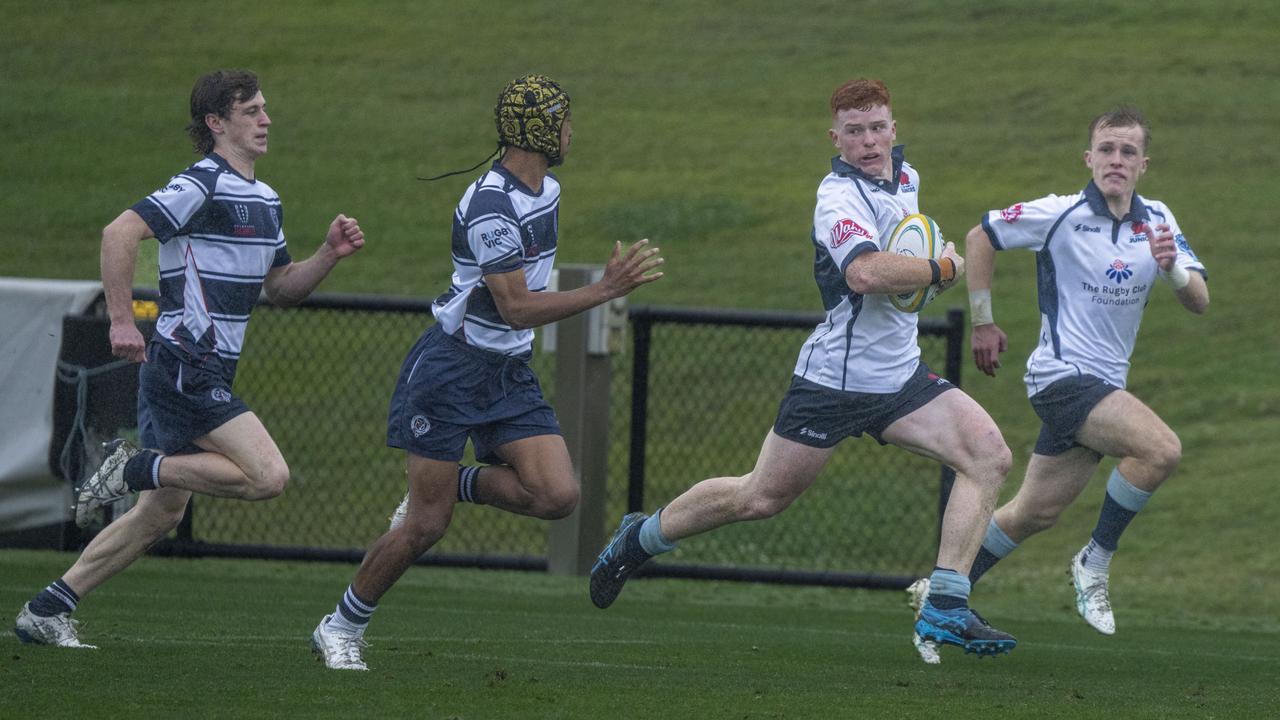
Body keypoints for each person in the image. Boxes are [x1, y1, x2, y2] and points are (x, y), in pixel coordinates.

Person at [589, 78, 1017, 661]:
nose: (869, 141)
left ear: (894, 127)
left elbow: (899, 262)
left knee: (988, 454)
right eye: (855, 131)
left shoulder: (906, 178)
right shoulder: (836, 197)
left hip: (900, 378)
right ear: (835, 137)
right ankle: (639, 537)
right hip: (834, 382)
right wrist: (939, 269)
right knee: (760, 497)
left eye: (877, 127)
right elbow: (864, 274)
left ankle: (944, 605)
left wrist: (922, 269)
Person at [310, 74, 664, 671]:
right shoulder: (491, 206)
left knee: (558, 495)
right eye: (564, 120)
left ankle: (459, 482)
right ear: (542, 130)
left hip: (506, 370)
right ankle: (341, 625)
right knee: (426, 525)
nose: (573, 131)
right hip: (450, 370)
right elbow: (517, 307)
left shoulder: (547, 189)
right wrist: (606, 290)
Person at [12, 70, 366, 649]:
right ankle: (130, 469)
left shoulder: (267, 199)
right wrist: (123, 321)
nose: (266, 119)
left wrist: (328, 253)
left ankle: (46, 610)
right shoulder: (202, 183)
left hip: (206, 368)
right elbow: (119, 232)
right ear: (216, 123)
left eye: (265, 108)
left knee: (159, 514)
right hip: (184, 362)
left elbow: (281, 288)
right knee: (268, 476)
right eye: (251, 110)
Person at [906, 105, 1209, 662]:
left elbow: (1199, 301)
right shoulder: (1060, 212)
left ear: (1144, 163)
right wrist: (984, 319)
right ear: (1089, 158)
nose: (1116, 160)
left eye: (1128, 152)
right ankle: (1094, 560)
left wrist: (1171, 269)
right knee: (1161, 449)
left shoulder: (1158, 218)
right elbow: (980, 237)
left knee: (1033, 513)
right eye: (1107, 149)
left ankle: (940, 597)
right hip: (1061, 378)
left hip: (1102, 386)